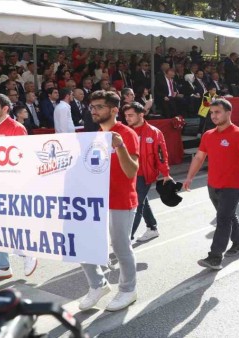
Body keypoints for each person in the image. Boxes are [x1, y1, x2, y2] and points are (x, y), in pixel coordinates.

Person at [78, 90, 140, 312]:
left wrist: (120, 146)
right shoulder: (94, 136)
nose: (94, 111)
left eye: (99, 107)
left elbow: (132, 171)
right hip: (95, 201)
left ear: (114, 110)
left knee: (121, 247)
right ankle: (98, 285)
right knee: (83, 244)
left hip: (121, 199)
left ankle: (128, 290)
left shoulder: (127, 134)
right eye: (92, 107)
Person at [183, 99, 239, 270]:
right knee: (227, 215)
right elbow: (199, 157)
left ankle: (215, 257)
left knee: (223, 219)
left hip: (233, 185)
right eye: (212, 113)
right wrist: (189, 177)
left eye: (217, 112)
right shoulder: (208, 135)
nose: (214, 116)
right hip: (213, 184)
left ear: (228, 113)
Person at [0, 94, 38, 285]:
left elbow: (23, 158)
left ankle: (27, 253)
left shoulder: (16, 128)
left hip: (10, 185)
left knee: (12, 223)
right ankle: (2, 267)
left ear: (5, 108)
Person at [122, 102, 171, 242]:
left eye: (131, 115)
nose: (127, 118)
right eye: (126, 115)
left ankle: (126, 239)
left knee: (136, 205)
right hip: (129, 174)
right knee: (142, 201)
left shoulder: (154, 132)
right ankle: (152, 228)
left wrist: (166, 173)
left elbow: (161, 154)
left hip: (145, 174)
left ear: (141, 115)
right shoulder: (125, 132)